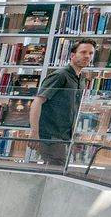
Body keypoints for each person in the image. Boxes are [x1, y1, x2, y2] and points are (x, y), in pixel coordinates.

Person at [28, 39, 95, 167]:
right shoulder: (60, 76)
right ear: (72, 55)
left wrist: (73, 136)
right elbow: (37, 102)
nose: (87, 56)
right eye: (83, 52)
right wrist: (34, 132)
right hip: (49, 136)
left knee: (53, 173)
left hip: (64, 136)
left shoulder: (80, 79)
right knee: (55, 171)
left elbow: (72, 109)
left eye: (91, 53)